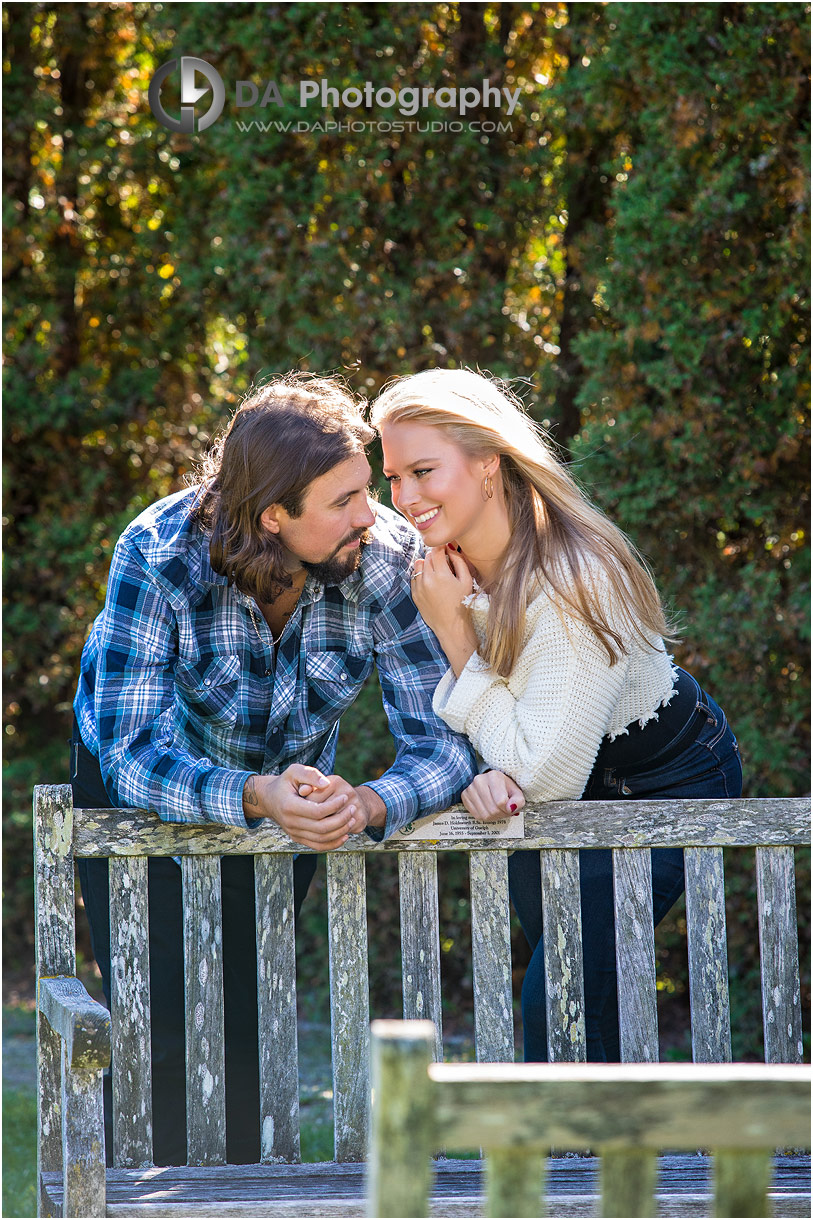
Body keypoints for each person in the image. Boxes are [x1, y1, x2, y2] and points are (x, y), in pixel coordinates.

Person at [72, 372, 476, 1164]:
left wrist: (365, 804)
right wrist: (253, 795)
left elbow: (446, 738)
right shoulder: (158, 556)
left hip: (291, 799)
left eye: (368, 488)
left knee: (248, 1020)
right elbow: (130, 751)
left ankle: (240, 1200)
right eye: (345, 500)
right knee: (153, 1024)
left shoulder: (385, 559)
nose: (373, 514)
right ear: (273, 517)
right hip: (146, 792)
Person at [372, 367, 742, 1063]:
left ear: (487, 464)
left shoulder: (575, 579)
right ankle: (591, 1160)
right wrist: (485, 772)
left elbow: (542, 775)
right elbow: (510, 733)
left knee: (562, 993)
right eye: (392, 477)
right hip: (561, 779)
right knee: (569, 988)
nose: (404, 497)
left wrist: (456, 639)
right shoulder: (442, 569)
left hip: (665, 779)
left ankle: (586, 1169)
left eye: (423, 470)